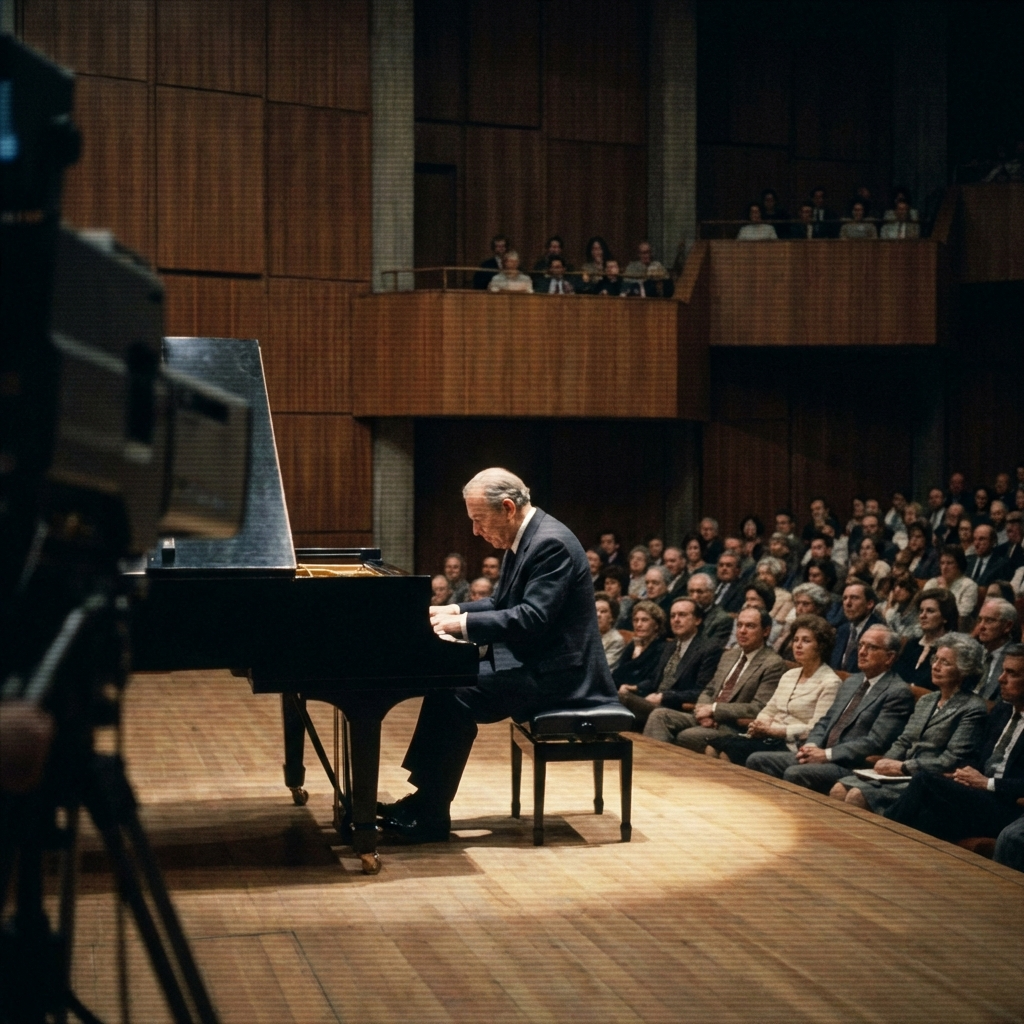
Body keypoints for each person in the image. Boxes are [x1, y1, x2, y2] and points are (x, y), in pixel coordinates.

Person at [381, 469, 618, 842]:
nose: (475, 531)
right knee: (446, 685)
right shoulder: (525, 536)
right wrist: (449, 613)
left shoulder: (549, 544)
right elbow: (501, 604)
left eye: (478, 520)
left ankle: (430, 813)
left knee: (456, 694)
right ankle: (425, 801)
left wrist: (460, 628)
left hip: (561, 675)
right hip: (535, 661)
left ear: (507, 507)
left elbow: (532, 618)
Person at [830, 633, 988, 814]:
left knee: (856, 796)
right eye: (935, 659)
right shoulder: (927, 700)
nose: (935, 666)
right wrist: (885, 763)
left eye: (945, 663)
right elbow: (904, 741)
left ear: (963, 670)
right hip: (898, 775)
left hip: (926, 780)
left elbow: (951, 760)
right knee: (838, 789)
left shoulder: (972, 708)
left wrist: (902, 767)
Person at [885, 644, 1024, 848]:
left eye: (1011, 673)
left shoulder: (980, 707)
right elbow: (975, 754)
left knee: (924, 780)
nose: (1001, 679)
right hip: (978, 795)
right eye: (1002, 671)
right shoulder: (1002, 711)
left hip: (1007, 806)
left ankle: (879, 833)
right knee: (927, 817)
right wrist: (962, 773)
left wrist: (987, 783)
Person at [747, 625, 914, 793]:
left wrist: (827, 755)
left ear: (889, 657)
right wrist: (811, 745)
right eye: (861, 645)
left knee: (796, 772)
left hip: (849, 763)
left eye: (871, 647)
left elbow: (875, 742)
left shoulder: (897, 691)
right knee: (757, 760)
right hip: (822, 752)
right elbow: (825, 721)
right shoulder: (852, 682)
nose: (862, 651)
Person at [643, 607, 786, 751]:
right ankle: (648, 767)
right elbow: (709, 689)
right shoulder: (729, 655)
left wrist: (714, 710)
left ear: (766, 631)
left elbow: (758, 707)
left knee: (687, 735)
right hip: (705, 716)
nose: (742, 631)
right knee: (659, 715)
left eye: (750, 626)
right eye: (739, 625)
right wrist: (703, 712)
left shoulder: (772, 663)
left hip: (732, 726)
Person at [711, 615, 840, 767]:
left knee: (730, 750)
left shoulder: (830, 682)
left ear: (821, 646)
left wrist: (774, 731)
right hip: (768, 737)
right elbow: (769, 709)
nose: (798, 645)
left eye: (806, 641)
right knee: (713, 745)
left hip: (792, 745)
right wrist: (759, 725)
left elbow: (815, 729)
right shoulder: (789, 675)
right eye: (796, 640)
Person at [617, 597, 718, 730]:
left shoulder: (708, 649)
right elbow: (654, 680)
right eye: (672, 616)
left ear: (697, 620)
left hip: (676, 708)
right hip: (654, 703)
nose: (676, 620)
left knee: (620, 699)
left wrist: (664, 696)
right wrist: (634, 687)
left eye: (682, 615)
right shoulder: (670, 646)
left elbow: (701, 691)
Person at [892, 587, 962, 689]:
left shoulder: (952, 649)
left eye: (930, 611)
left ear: (945, 617)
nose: (922, 616)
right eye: (921, 611)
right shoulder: (912, 644)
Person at [611, 600, 667, 691]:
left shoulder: (662, 648)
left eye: (644, 620)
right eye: (635, 620)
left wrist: (636, 659)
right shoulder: (634, 644)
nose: (638, 625)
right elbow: (618, 672)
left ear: (656, 625)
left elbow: (651, 680)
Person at [832, 581, 886, 673]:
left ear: (870, 604)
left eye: (854, 598)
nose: (847, 603)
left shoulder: (879, 633)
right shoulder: (842, 629)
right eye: (845, 598)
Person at [973, 598, 1020, 701]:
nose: (981, 626)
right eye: (980, 620)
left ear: (1007, 626)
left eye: (989, 620)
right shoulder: (973, 653)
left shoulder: (1016, 660)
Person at [773, 583, 832, 659]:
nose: (799, 608)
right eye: (797, 603)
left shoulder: (824, 632)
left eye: (805, 604)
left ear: (819, 608)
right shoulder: (795, 628)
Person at [924, 546, 979, 628]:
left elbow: (961, 619)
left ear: (959, 565)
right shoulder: (932, 583)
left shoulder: (969, 586)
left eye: (949, 563)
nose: (944, 567)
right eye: (942, 563)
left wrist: (945, 593)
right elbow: (921, 609)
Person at [686, 572, 733, 651]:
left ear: (712, 592)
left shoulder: (722, 619)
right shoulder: (685, 614)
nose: (694, 597)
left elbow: (711, 649)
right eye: (691, 592)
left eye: (700, 592)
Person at [755, 556, 793, 624]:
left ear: (776, 575)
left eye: (767, 573)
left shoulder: (786, 598)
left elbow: (778, 623)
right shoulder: (754, 594)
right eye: (760, 574)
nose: (762, 578)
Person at [598, 564, 634, 630]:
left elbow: (618, 622)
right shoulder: (601, 602)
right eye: (607, 583)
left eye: (612, 583)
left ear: (620, 586)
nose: (608, 587)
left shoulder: (626, 602)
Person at [595, 591, 625, 669]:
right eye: (595, 611)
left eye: (603, 611)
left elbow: (600, 668)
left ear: (612, 617)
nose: (598, 615)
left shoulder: (616, 640)